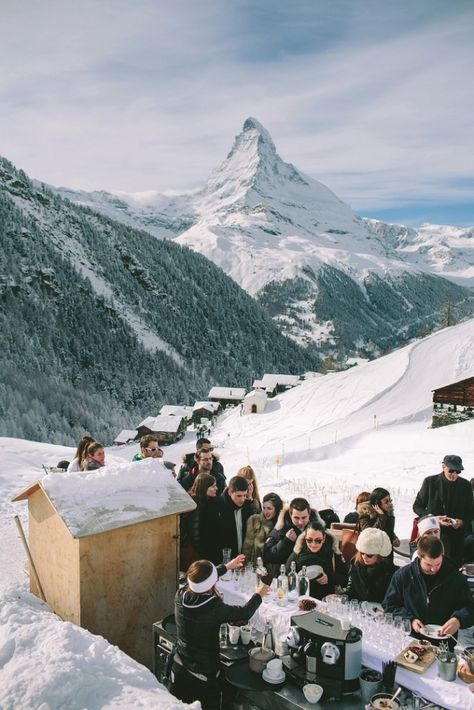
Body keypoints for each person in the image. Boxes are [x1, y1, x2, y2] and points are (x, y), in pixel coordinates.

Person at [172, 555, 269, 710]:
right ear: (212, 583)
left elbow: (201, 580)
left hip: (180, 664)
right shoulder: (213, 608)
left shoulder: (180, 595)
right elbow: (244, 612)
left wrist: (227, 567)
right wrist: (258, 595)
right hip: (203, 674)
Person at [383, 536, 474, 644]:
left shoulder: (456, 578)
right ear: (420, 556)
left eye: (438, 564)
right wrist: (410, 620)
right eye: (429, 564)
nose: (433, 569)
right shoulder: (403, 575)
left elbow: (469, 607)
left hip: (443, 642)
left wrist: (458, 620)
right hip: (410, 639)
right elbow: (390, 605)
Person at [413, 454, 473, 566]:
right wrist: (433, 518)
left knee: (455, 566)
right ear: (443, 467)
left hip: (456, 535)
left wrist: (462, 521)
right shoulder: (430, 482)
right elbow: (417, 506)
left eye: (458, 471)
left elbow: (471, 511)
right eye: (451, 470)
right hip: (434, 534)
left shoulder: (465, 485)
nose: (454, 474)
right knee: (435, 564)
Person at [285, 521, 347, 599]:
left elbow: (345, 579)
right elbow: (286, 576)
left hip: (325, 601)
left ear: (324, 539)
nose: (313, 544)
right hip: (302, 600)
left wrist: (329, 578)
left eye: (318, 541)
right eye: (309, 540)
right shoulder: (298, 553)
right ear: (305, 538)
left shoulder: (334, 554)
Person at [263, 497, 324, 566]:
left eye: (304, 517)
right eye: (296, 518)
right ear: (290, 514)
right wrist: (285, 542)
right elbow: (268, 555)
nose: (300, 522)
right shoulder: (281, 527)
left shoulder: (319, 529)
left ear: (309, 514)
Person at [181, 473, 222, 568]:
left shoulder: (210, 502)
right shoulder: (194, 505)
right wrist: (201, 552)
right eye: (213, 486)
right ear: (204, 487)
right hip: (197, 554)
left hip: (206, 551)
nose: (216, 488)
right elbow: (195, 531)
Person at [346, 528, 396, 602]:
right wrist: (342, 597)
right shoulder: (355, 564)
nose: (364, 557)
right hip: (356, 606)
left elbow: (378, 596)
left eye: (369, 555)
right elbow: (350, 589)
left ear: (379, 555)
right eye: (362, 553)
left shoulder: (387, 571)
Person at [216, 476, 254, 559]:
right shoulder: (218, 507)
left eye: (244, 495)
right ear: (230, 492)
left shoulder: (247, 506)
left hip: (242, 558)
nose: (242, 499)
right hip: (224, 560)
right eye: (239, 496)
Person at [243, 492, 283, 567]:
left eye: (269, 508)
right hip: (254, 568)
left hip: (274, 569)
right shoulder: (254, 520)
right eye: (264, 508)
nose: (265, 512)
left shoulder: (282, 525)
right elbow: (247, 548)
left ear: (277, 509)